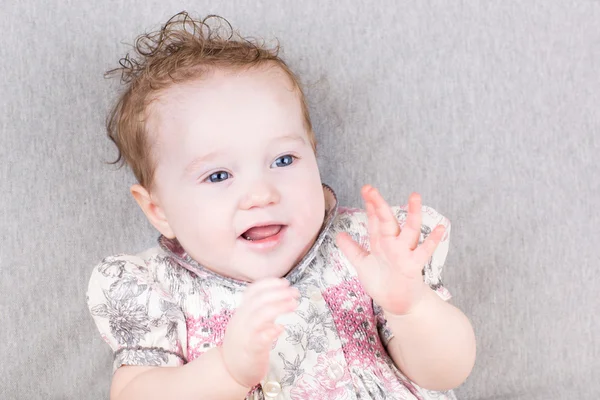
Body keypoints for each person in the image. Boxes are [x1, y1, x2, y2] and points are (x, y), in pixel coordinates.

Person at [87, 11, 476, 400]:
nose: (262, 194)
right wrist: (227, 369)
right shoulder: (156, 290)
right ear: (159, 211)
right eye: (219, 176)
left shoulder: (366, 252)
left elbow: (447, 373)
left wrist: (412, 307)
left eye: (283, 160)